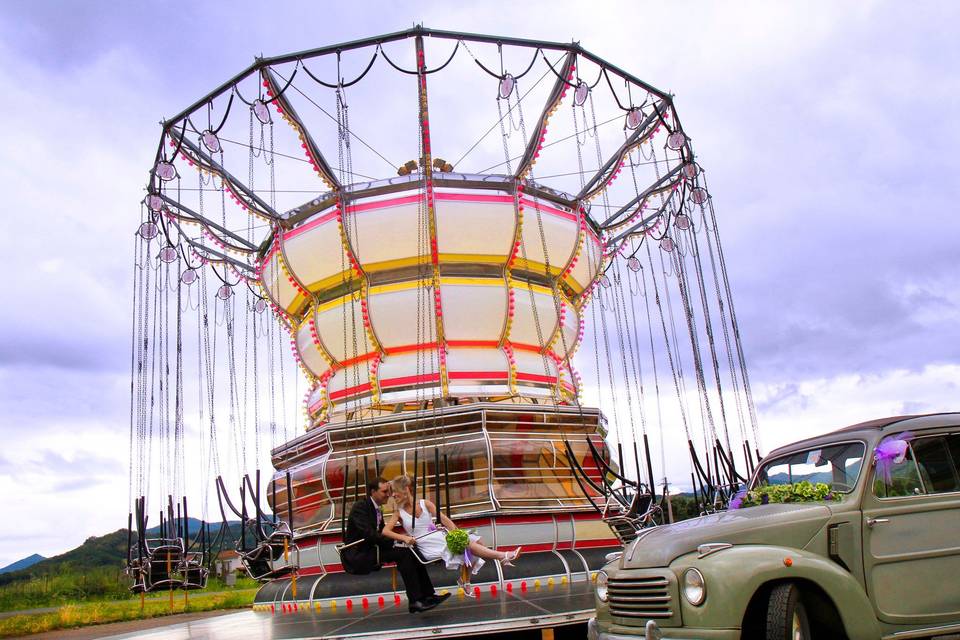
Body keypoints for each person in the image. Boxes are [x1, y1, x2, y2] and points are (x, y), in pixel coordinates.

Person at [383, 474, 520, 593]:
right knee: (468, 544)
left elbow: (445, 520)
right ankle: (503, 555)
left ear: (406, 489)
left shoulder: (425, 504)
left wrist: (457, 535)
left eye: (395, 491)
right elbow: (386, 531)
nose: (393, 495)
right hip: (426, 545)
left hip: (439, 538)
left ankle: (465, 580)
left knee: (473, 540)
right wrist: (404, 538)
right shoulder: (398, 513)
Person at [341, 477, 451, 614]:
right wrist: (397, 541)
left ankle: (428, 595)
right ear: (373, 492)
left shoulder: (378, 510)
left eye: (389, 491)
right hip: (359, 553)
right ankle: (415, 601)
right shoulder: (360, 507)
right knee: (404, 553)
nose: (388, 494)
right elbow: (370, 534)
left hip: (372, 548)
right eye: (384, 491)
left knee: (410, 550)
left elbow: (381, 535)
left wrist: (399, 542)